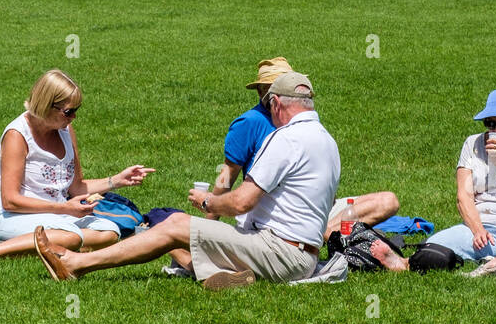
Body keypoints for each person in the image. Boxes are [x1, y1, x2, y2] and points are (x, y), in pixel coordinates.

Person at [34, 71, 341, 290]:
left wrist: (207, 201)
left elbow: (238, 197)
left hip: (279, 251)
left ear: (275, 103)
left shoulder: (284, 138)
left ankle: (75, 264)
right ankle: (217, 275)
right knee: (183, 229)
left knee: (177, 225)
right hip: (303, 254)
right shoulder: (327, 141)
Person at [160, 56, 398, 277]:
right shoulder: (248, 123)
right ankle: (326, 236)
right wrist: (208, 221)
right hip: (270, 216)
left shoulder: (301, 120)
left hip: (310, 209)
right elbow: (226, 176)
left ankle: (324, 233)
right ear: (265, 91)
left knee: (387, 201)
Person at [0, 69, 156, 265]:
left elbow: (76, 187)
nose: (73, 117)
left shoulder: (65, 129)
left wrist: (117, 180)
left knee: (110, 232)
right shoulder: (17, 135)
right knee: (72, 237)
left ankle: (30, 247)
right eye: (69, 111)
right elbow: (10, 201)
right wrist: (64, 208)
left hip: (54, 215)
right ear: (47, 105)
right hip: (10, 216)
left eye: (76, 110)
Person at [371, 88, 496, 281]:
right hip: (484, 231)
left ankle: (494, 263)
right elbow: (464, 196)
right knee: (434, 245)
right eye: (490, 123)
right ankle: (402, 263)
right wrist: (477, 230)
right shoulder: (473, 144)